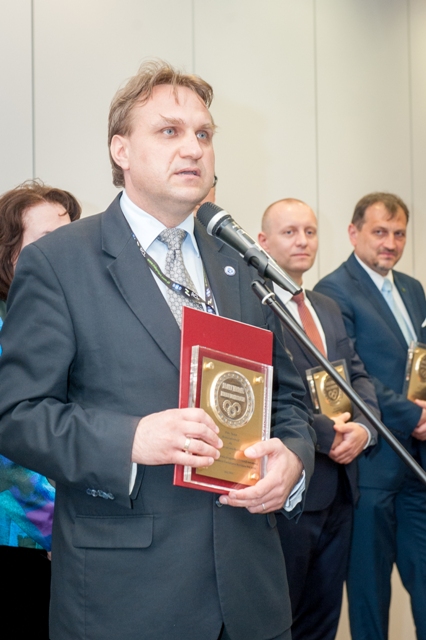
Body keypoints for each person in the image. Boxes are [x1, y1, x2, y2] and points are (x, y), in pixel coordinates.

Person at [0, 61, 315, 640]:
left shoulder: (240, 262)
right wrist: (130, 440)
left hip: (250, 592)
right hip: (127, 597)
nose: (193, 147)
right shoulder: (60, 262)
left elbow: (289, 401)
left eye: (204, 133)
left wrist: (293, 462)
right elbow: (17, 416)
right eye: (169, 131)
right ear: (120, 150)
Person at [258, 198, 379, 640]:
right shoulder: (252, 306)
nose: (302, 241)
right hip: (293, 490)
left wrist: (364, 428)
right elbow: (265, 392)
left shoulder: (325, 306)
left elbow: (357, 376)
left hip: (342, 490)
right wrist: (329, 434)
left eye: (309, 232)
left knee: (324, 621)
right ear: (262, 241)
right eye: (289, 232)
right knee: (281, 620)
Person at [315, 192, 426, 640]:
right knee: (369, 597)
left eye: (399, 234)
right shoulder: (332, 292)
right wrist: (412, 415)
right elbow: (348, 376)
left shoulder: (413, 289)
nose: (391, 243)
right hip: (372, 469)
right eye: (380, 232)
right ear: (353, 232)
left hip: (417, 470)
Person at [0, 180, 81, 638]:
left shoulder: (63, 317)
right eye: (48, 240)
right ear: (9, 251)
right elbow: (8, 456)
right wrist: (56, 528)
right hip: (22, 540)